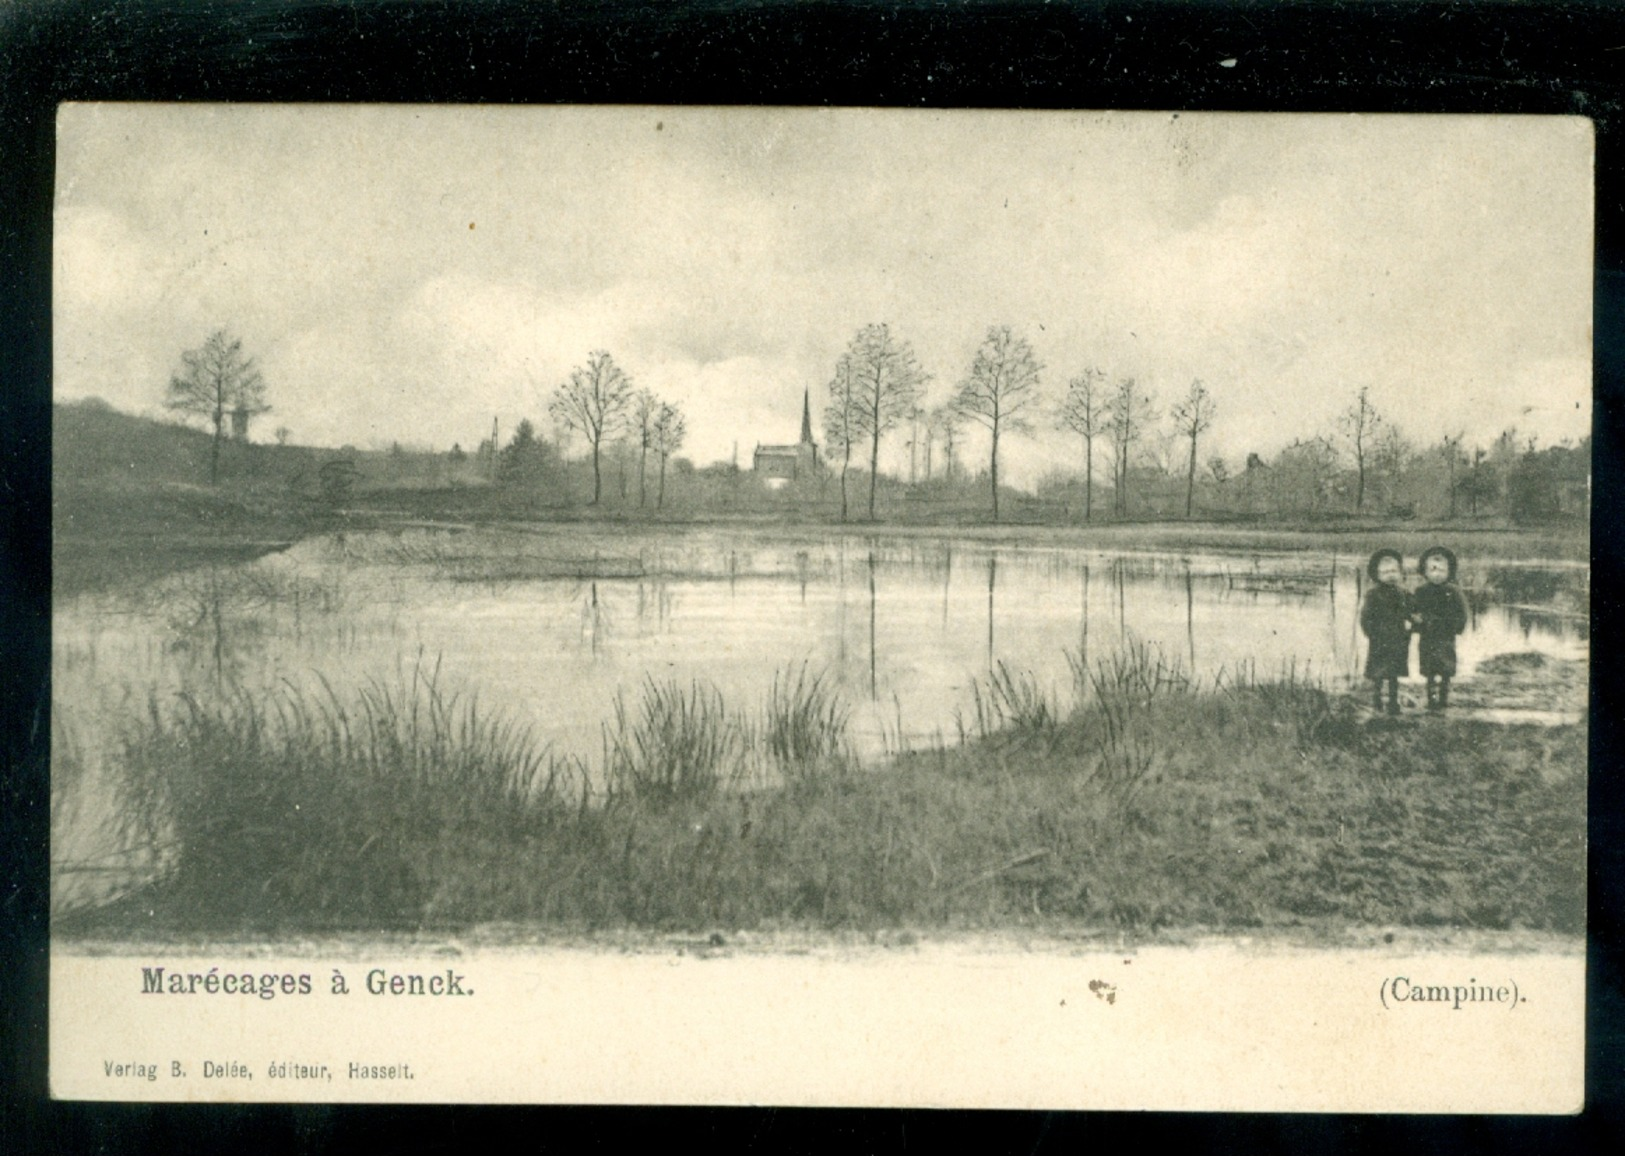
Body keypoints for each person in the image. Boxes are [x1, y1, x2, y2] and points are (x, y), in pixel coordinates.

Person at [1410, 545, 1469, 711]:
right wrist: (1416, 622)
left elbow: (1462, 612)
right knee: (1429, 668)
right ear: (1425, 571)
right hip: (1428, 636)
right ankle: (1430, 698)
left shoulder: (1453, 591)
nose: (1436, 574)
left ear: (1449, 572)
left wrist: (1457, 627)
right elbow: (1414, 611)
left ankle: (1443, 698)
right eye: (1432, 569)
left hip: (1445, 636)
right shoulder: (1421, 591)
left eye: (1442, 570)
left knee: (1445, 667)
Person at [1360, 548, 1410, 715]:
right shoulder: (1373, 594)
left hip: (1397, 637)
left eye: (1394, 571)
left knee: (1394, 673)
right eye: (1386, 572)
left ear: (1400, 572)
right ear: (1377, 574)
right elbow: (1366, 616)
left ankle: (1393, 702)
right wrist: (1370, 633)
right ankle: (1377, 700)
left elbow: (1410, 610)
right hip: (1379, 638)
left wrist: (1413, 623)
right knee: (1378, 672)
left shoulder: (1402, 593)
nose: (1390, 575)